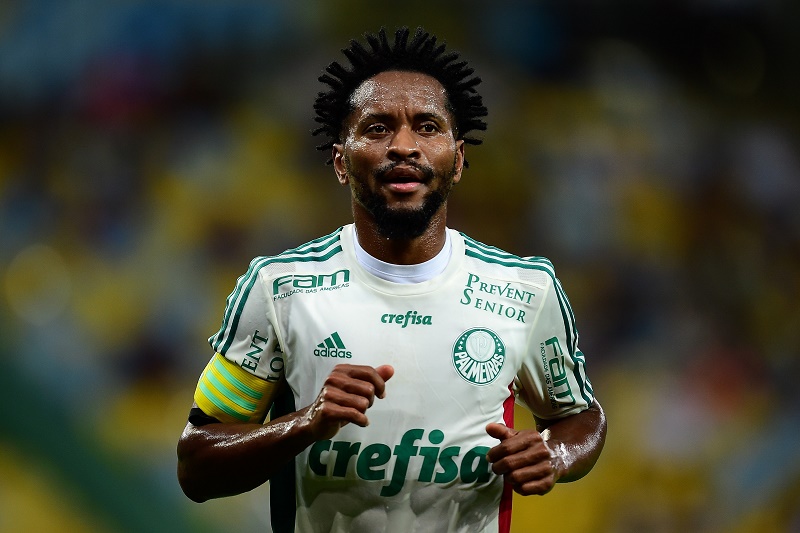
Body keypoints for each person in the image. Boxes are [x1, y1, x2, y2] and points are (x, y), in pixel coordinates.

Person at [177, 26, 607, 533]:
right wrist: (306, 423)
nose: (404, 146)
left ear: (459, 159)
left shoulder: (526, 291)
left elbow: (580, 417)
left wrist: (556, 454)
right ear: (341, 161)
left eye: (427, 127)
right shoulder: (280, 289)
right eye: (377, 128)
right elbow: (197, 464)